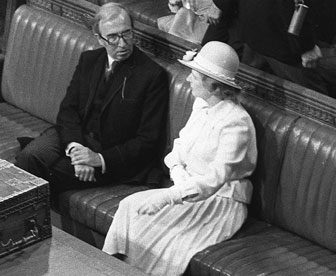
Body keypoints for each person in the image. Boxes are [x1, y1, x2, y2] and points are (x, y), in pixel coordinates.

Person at [102, 41, 258, 276]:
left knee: (167, 241)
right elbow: (180, 147)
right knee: (129, 207)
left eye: (194, 76)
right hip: (186, 191)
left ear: (213, 86)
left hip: (219, 203)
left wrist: (169, 195)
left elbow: (216, 178)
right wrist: (178, 173)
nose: (188, 80)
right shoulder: (200, 104)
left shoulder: (236, 122)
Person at [15, 3, 169, 199]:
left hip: (111, 154)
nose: (122, 43)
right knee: (29, 157)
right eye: (113, 37)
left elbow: (148, 140)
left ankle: (26, 226)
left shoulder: (152, 75)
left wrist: (98, 159)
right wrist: (76, 149)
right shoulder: (89, 60)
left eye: (127, 34)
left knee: (39, 174)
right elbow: (68, 110)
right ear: (100, 39)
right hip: (75, 137)